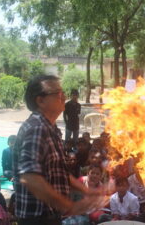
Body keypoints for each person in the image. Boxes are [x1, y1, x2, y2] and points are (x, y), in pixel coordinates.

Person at [12, 75, 104, 225]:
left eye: (63, 93)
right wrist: (70, 206)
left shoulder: (50, 128)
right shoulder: (37, 128)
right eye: (58, 93)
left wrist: (87, 191)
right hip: (37, 218)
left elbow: (59, 173)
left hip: (49, 215)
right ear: (40, 100)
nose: (64, 97)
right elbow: (29, 178)